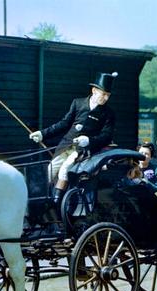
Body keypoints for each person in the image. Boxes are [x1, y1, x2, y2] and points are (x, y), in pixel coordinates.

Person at [29, 72, 117, 205]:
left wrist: (89, 141)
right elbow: (64, 123)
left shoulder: (108, 113)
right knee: (50, 171)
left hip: (84, 151)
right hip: (65, 145)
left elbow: (106, 136)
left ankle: (55, 203)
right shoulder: (78, 103)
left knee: (65, 170)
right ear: (94, 90)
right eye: (103, 94)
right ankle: (38, 203)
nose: (105, 98)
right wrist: (42, 134)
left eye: (108, 95)